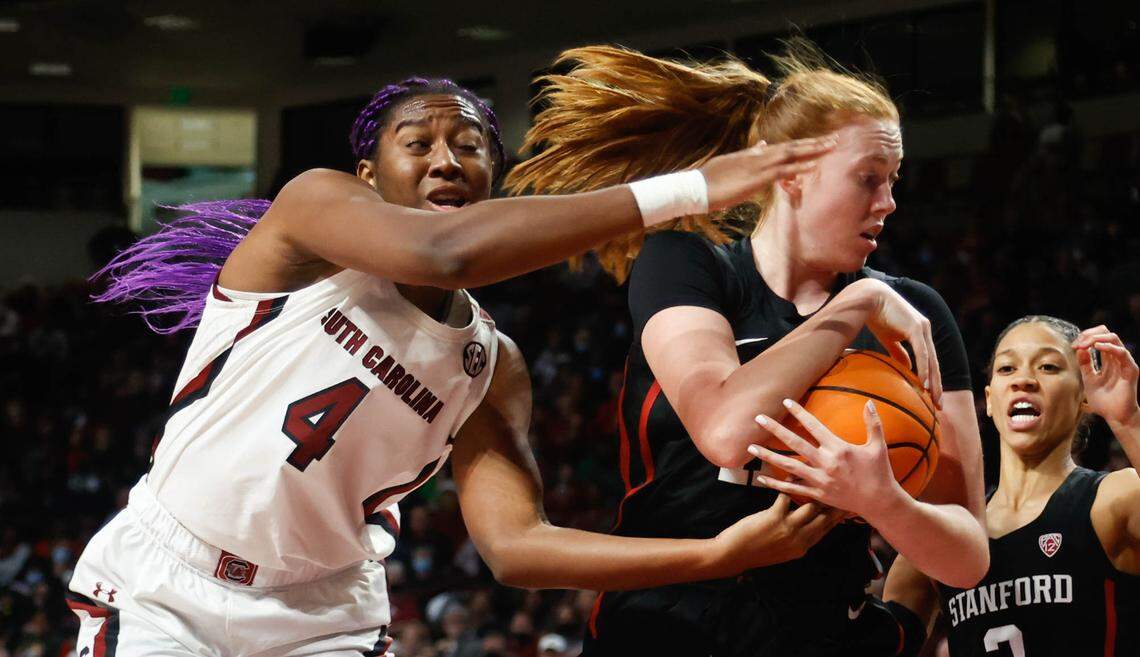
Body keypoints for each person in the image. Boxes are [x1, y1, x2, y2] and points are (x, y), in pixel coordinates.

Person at [64, 77, 840, 657]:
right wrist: (688, 191)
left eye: (469, 147)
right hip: (169, 586)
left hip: (323, 617)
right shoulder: (307, 221)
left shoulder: (490, 364)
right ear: (367, 176)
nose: (446, 160)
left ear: (492, 180)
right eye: (419, 143)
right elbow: (446, 253)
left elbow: (516, 546)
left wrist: (717, 555)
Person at [506, 43, 988, 656]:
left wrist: (884, 502)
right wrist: (856, 305)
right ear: (790, 173)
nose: (888, 201)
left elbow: (966, 559)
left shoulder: (916, 313)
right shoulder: (685, 264)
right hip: (665, 631)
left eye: (893, 180)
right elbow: (726, 431)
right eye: (868, 178)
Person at [881, 317, 1140, 656]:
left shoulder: (1112, 499)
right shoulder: (946, 534)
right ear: (989, 400)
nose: (1023, 380)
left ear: (1084, 396)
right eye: (1006, 368)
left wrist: (1128, 421)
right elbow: (877, 643)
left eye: (1048, 366)